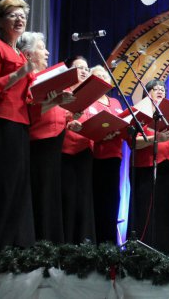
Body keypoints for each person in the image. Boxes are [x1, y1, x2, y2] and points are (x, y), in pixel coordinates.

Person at [0, 0, 36, 253]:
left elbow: (25, 94)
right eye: (13, 15)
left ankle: (14, 245)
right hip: (3, 120)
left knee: (18, 184)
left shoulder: (19, 52)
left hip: (22, 121)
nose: (20, 19)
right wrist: (21, 73)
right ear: (0, 22)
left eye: (23, 15)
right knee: (4, 183)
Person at [18, 32, 73, 244]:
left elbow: (56, 111)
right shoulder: (29, 77)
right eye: (42, 48)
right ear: (29, 54)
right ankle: (42, 241)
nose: (47, 51)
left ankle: (54, 241)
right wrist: (54, 101)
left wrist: (71, 114)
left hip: (56, 138)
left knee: (52, 193)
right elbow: (29, 112)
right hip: (39, 140)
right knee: (42, 192)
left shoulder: (46, 76)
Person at [130, 79, 169, 253]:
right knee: (146, 208)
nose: (160, 91)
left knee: (168, 209)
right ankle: (144, 248)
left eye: (163, 89)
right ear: (147, 92)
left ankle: (168, 249)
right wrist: (155, 139)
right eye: (155, 89)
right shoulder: (139, 113)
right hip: (146, 167)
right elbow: (133, 143)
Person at [61, 56, 96, 244]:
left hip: (85, 150)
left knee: (83, 199)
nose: (83, 71)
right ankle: (65, 242)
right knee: (67, 197)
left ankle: (83, 243)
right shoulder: (63, 91)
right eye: (79, 68)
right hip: (65, 150)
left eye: (86, 68)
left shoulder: (91, 95)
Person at [88, 65, 124, 245]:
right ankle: (96, 243)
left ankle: (110, 243)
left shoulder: (116, 103)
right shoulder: (87, 101)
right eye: (98, 75)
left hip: (114, 156)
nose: (103, 78)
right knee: (97, 201)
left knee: (112, 201)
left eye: (105, 76)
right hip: (94, 158)